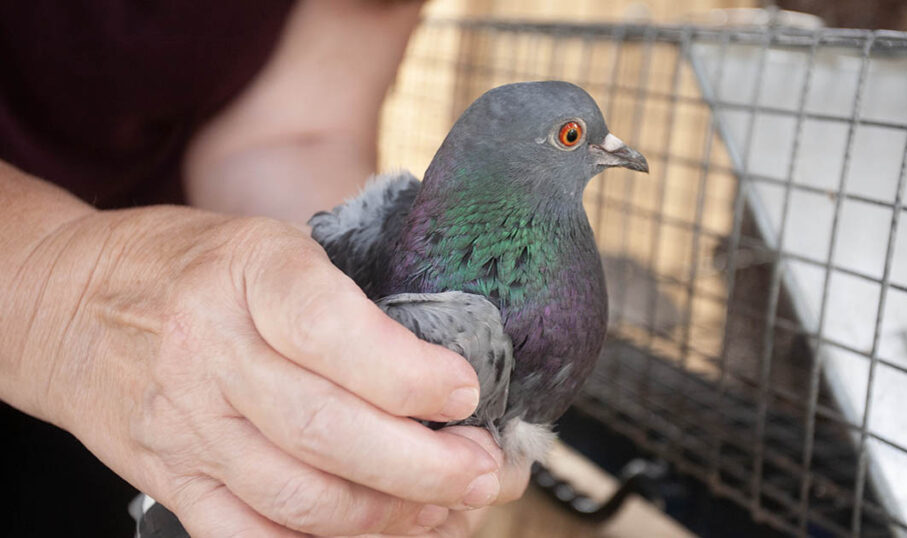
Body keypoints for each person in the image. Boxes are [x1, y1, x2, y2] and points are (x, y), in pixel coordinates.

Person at [0, 1, 530, 536]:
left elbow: (294, 134)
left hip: (164, 383)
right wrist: (58, 298)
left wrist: (336, 343)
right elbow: (71, 308)